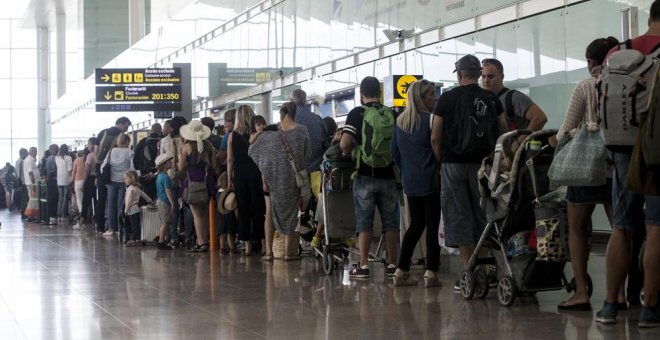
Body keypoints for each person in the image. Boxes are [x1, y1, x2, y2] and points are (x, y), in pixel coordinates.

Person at [596, 1, 660, 327]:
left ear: (649, 17)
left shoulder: (618, 51)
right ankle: (650, 310)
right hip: (657, 152)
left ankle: (609, 305)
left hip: (622, 150)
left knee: (621, 227)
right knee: (656, 228)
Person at [552, 37, 621, 311]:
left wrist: (553, 143)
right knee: (621, 231)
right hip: (617, 166)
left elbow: (567, 129)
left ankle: (581, 293)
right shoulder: (623, 84)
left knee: (577, 229)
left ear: (591, 61)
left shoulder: (585, 86)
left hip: (586, 169)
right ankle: (619, 294)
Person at [433, 55, 508, 288]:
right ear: (478, 74)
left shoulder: (446, 99)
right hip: (482, 165)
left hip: (452, 165)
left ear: (458, 73)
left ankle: (469, 270)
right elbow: (503, 132)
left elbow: (435, 136)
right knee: (483, 214)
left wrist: (442, 161)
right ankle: (483, 269)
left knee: (458, 215)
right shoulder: (491, 98)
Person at [340, 76, 400, 279]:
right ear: (380, 93)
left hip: (365, 175)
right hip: (389, 175)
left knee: (364, 222)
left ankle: (364, 266)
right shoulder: (391, 113)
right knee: (391, 223)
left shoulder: (357, 113)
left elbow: (345, 143)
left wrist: (347, 151)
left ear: (361, 94)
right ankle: (392, 265)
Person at [391, 79, 442, 287]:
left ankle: (401, 269)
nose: (434, 98)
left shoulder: (400, 122)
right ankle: (431, 272)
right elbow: (437, 144)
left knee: (415, 225)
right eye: (430, 94)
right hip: (430, 179)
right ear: (421, 98)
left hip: (410, 181)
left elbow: (394, 153)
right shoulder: (431, 120)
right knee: (432, 226)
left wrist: (406, 170)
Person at [249, 101, 311, 261]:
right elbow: (308, 153)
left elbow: (253, 150)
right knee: (293, 212)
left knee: (269, 213)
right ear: (294, 113)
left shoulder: (270, 133)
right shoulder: (302, 131)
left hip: (272, 179)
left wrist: (266, 175)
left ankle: (269, 252)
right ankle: (288, 252)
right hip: (293, 178)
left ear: (281, 114)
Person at [227, 105, 266, 256]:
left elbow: (230, 160)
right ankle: (263, 244)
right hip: (257, 173)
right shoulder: (257, 134)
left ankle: (248, 245)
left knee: (243, 210)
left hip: (240, 175)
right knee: (259, 208)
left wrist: (230, 178)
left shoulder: (232, 136)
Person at [480, 58, 548, 132]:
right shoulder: (483, 100)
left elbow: (540, 118)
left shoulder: (514, 97)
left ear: (501, 77)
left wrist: (520, 141)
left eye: (490, 77)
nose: (486, 80)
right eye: (483, 76)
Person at [178, 120, 215, 252]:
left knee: (197, 214)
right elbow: (214, 166)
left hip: (192, 181)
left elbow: (181, 168)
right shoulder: (209, 146)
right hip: (207, 181)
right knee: (205, 213)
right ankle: (208, 240)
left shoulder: (186, 148)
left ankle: (202, 243)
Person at [93, 117, 132, 233]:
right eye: (126, 126)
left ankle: (100, 226)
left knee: (102, 199)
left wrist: (99, 165)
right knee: (117, 202)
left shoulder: (102, 132)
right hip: (116, 174)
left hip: (102, 170)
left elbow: (95, 151)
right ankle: (119, 227)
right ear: (121, 124)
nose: (126, 129)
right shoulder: (121, 137)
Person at [292, 89, 329, 202]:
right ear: (305, 101)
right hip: (316, 171)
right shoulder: (317, 119)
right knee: (319, 203)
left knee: (300, 205)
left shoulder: (289, 120)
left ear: (292, 101)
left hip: (297, 173)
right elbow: (326, 144)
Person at [159, 116, 187, 246]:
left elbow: (161, 159)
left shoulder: (164, 141)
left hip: (170, 176)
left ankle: (173, 237)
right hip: (186, 176)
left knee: (173, 207)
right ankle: (187, 235)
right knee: (187, 207)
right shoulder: (185, 140)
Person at [101, 134, 134, 237]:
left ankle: (111, 229)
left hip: (111, 181)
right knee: (122, 205)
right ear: (128, 141)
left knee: (111, 205)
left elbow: (103, 166)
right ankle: (121, 229)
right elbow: (132, 167)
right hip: (125, 181)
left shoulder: (111, 151)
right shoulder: (130, 152)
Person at [123, 170, 153, 246]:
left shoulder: (130, 189)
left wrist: (126, 209)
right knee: (137, 225)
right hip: (136, 209)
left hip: (131, 210)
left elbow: (129, 201)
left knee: (134, 226)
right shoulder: (137, 188)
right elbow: (144, 195)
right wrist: (150, 201)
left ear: (131, 179)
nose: (124, 180)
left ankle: (134, 239)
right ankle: (137, 238)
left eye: (126, 178)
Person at [133, 123, 162, 200]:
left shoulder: (143, 142)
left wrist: (139, 171)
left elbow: (135, 158)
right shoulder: (163, 140)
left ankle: (148, 211)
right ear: (161, 130)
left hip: (145, 173)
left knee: (147, 197)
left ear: (151, 130)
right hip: (160, 172)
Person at [154, 154, 176, 250]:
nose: (171, 163)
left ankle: (160, 238)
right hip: (164, 202)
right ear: (163, 164)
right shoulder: (166, 177)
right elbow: (168, 191)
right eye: (169, 161)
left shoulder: (159, 176)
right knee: (166, 222)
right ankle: (161, 242)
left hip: (159, 200)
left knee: (164, 221)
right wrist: (172, 203)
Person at [216, 172, 238, 255]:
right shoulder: (229, 192)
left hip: (220, 215)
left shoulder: (218, 192)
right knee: (229, 234)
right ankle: (232, 249)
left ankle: (222, 249)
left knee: (222, 234)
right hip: (228, 214)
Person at [55, 144, 73, 223]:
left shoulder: (57, 158)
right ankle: (63, 213)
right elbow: (70, 170)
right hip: (66, 179)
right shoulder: (69, 158)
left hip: (59, 179)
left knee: (60, 197)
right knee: (65, 197)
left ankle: (58, 213)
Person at [70, 150, 87, 230]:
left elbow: (74, 172)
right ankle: (87, 217)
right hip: (87, 181)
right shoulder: (88, 158)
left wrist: (71, 181)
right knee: (86, 200)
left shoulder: (77, 160)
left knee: (79, 201)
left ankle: (82, 217)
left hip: (78, 181)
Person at [23, 147, 40, 220]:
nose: (36, 153)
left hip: (32, 183)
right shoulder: (29, 160)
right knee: (33, 199)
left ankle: (32, 215)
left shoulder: (30, 160)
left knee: (33, 199)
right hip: (32, 184)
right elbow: (30, 173)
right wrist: (33, 184)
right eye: (35, 152)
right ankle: (30, 215)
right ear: (32, 152)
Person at [45, 144, 60, 225]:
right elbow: (53, 170)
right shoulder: (53, 158)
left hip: (50, 181)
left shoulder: (49, 158)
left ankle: (51, 216)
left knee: (51, 199)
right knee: (54, 199)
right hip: (53, 181)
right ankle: (53, 216)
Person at [14, 148, 29, 220]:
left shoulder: (17, 161)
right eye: (26, 153)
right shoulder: (23, 161)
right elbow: (24, 173)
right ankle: (24, 213)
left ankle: (23, 212)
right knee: (25, 198)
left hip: (20, 182)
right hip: (24, 182)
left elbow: (17, 173)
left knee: (23, 198)